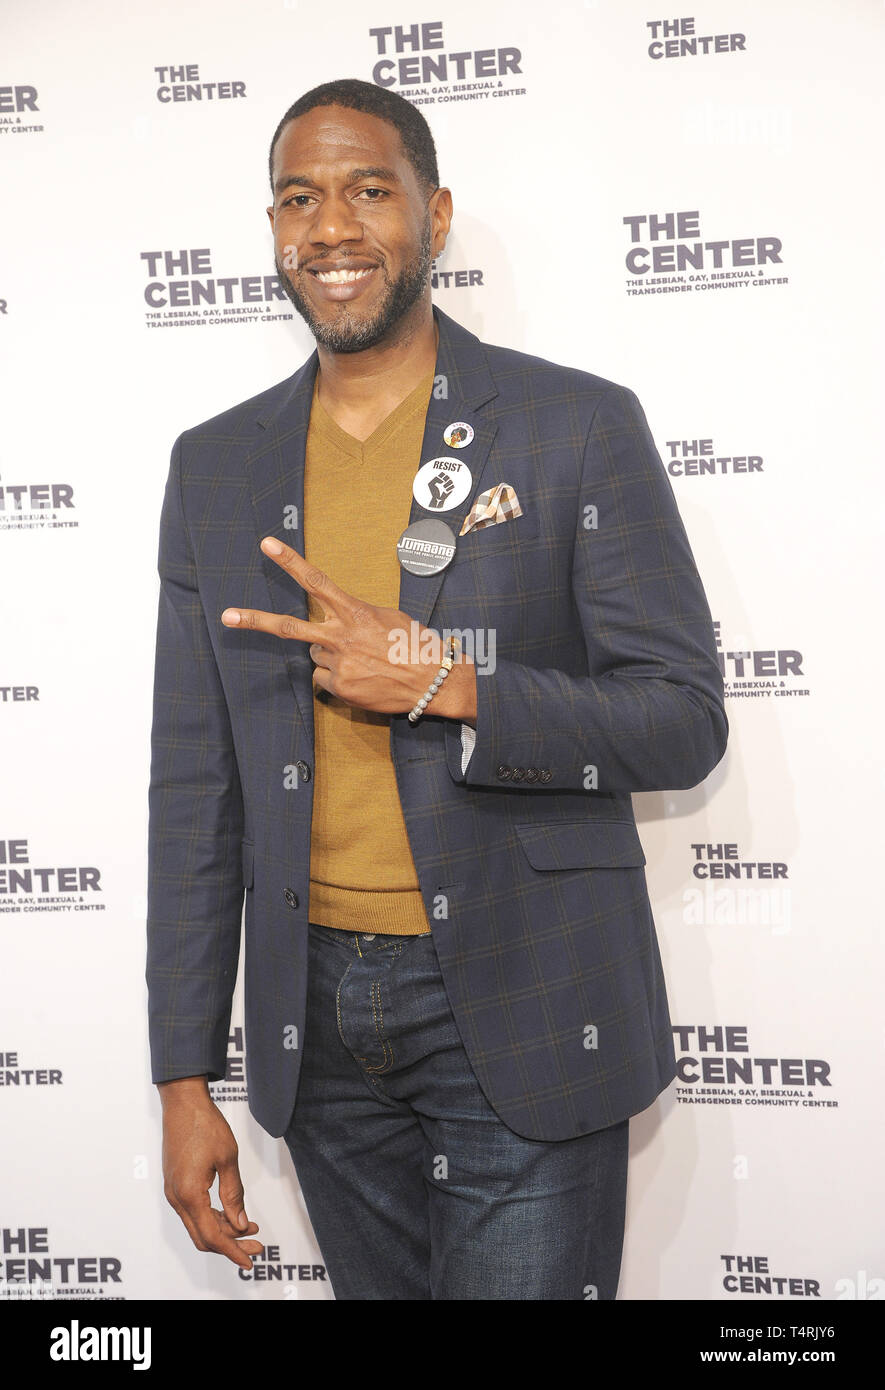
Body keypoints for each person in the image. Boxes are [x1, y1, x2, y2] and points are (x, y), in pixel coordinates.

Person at [146, 77, 728, 1301]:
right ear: (273, 231)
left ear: (437, 213)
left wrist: (453, 683)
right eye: (300, 198)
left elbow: (680, 714)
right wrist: (184, 1074)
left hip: (523, 997)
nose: (333, 229)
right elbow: (195, 790)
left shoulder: (574, 425)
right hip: (317, 1024)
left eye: (370, 190)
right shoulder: (215, 465)